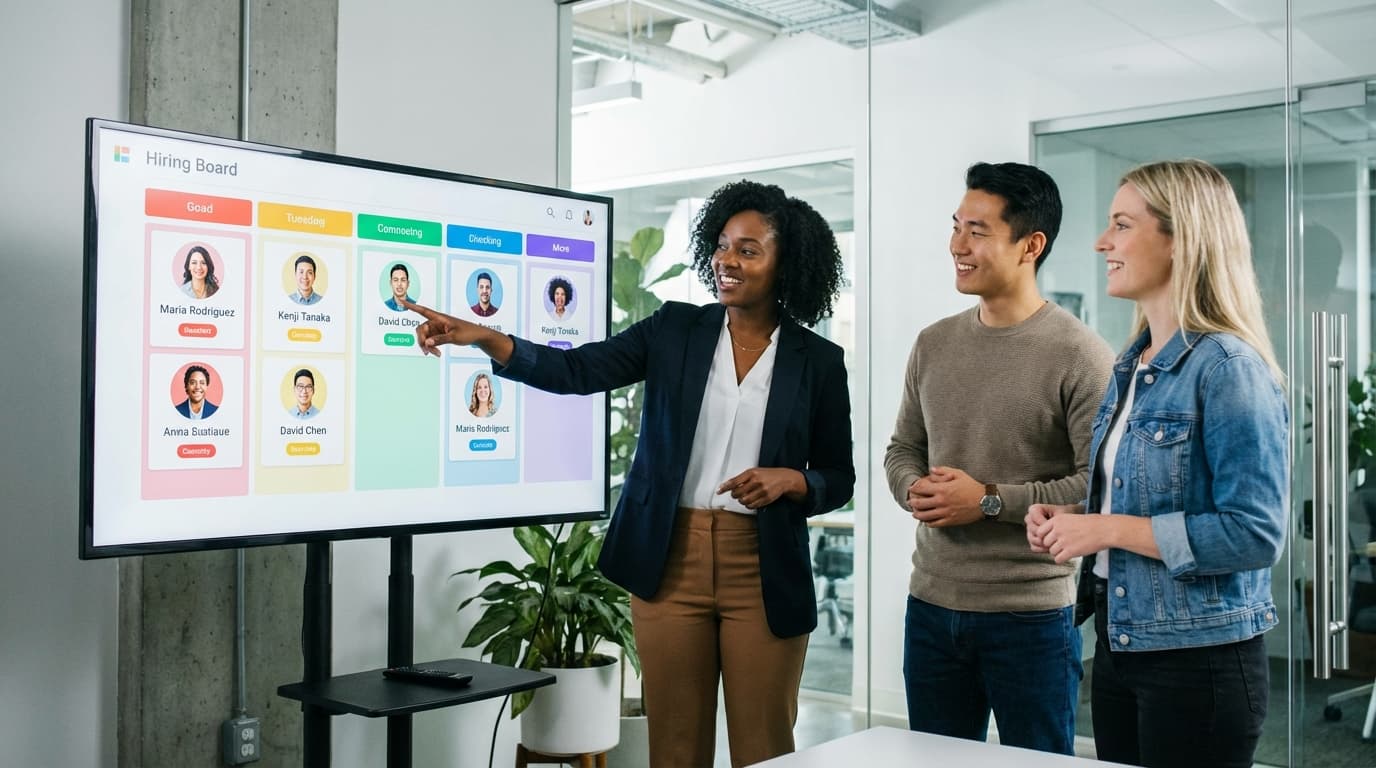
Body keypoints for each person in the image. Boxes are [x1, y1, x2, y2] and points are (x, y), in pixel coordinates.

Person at [402, 180, 854, 768]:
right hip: (671, 562)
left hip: (763, 566)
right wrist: (488, 338)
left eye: (748, 249)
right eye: (721, 246)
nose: (727, 261)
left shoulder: (818, 360)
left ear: (786, 262)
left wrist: (792, 481)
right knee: (673, 746)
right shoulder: (674, 330)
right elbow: (576, 369)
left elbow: (837, 477)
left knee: (765, 747)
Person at [1026, 159, 1287, 768]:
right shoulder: (1133, 365)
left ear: (1180, 241)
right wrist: (1073, 517)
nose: (1101, 242)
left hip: (1201, 663)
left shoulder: (1227, 368)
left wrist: (1106, 529)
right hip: (1123, 646)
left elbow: (1254, 533)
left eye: (1121, 224)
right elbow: (1150, 493)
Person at [883, 162, 1115, 756]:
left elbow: (1097, 488)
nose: (957, 245)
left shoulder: (1080, 354)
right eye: (957, 226)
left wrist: (985, 501)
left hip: (1030, 618)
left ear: (1030, 245)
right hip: (932, 608)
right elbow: (903, 448)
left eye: (978, 231)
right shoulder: (934, 343)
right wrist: (917, 489)